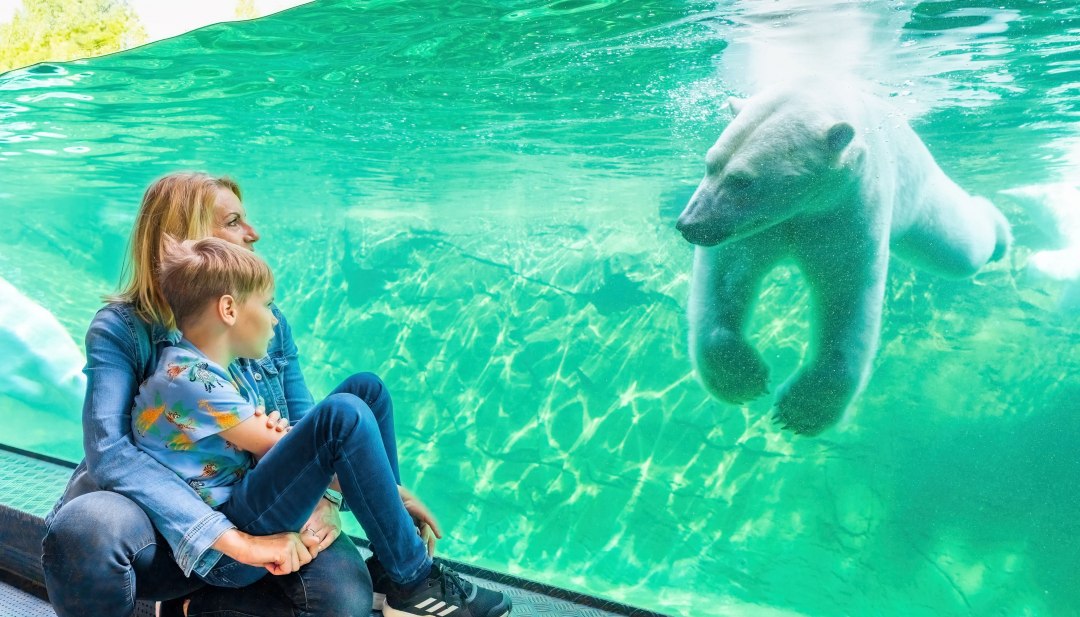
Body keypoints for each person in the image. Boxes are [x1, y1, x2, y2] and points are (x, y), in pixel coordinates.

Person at [41, 172, 422, 616]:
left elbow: (304, 433)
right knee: (88, 528)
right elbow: (111, 454)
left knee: (343, 599)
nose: (253, 233)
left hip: (244, 505)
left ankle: (202, 606)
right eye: (234, 221)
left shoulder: (262, 320)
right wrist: (230, 540)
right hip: (158, 524)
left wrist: (326, 499)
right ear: (192, 240)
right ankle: (413, 580)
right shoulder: (124, 330)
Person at [134, 234, 510, 616]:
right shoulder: (187, 380)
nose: (275, 319)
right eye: (266, 305)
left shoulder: (217, 371)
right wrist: (397, 497)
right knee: (341, 416)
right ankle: (414, 581)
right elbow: (300, 448)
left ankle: (388, 570)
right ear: (228, 309)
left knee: (367, 391)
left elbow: (287, 446)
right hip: (221, 547)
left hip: (243, 506)